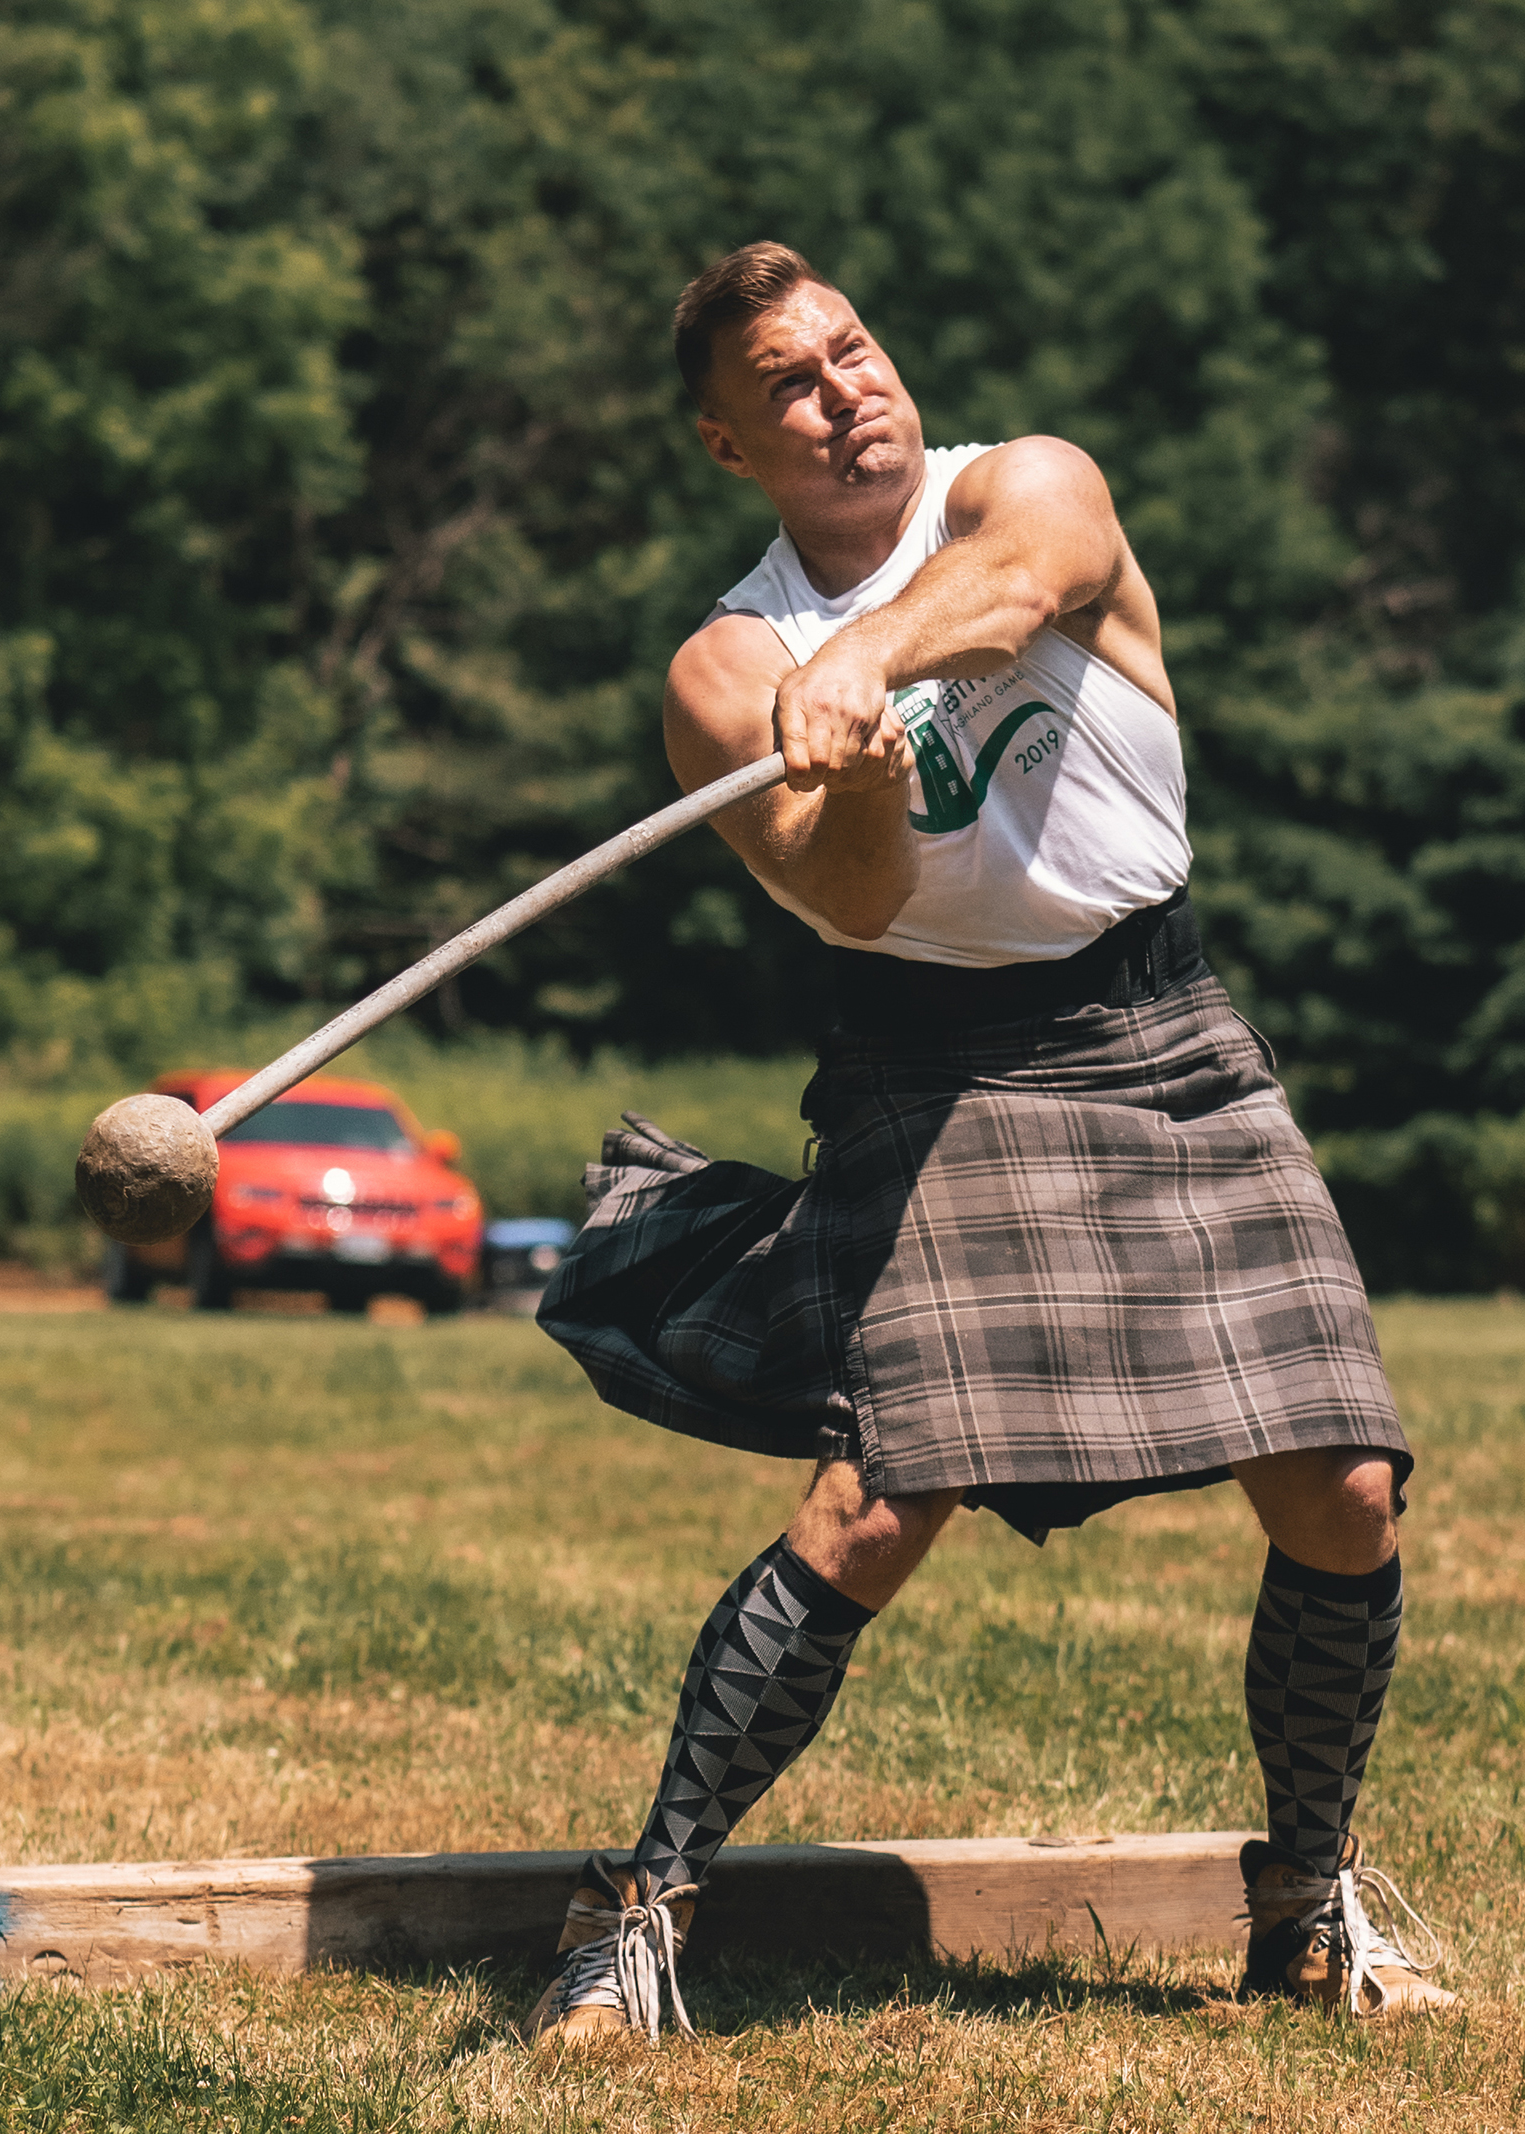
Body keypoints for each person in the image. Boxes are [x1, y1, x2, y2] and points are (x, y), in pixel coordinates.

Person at [530, 242, 1450, 2040]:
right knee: (879, 1501)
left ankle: (1305, 1897)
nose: (841, 389)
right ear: (732, 446)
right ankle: (639, 1909)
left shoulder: (1029, 482)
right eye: (787, 382)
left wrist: (871, 658)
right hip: (935, 1061)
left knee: (1343, 1480)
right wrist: (856, 764)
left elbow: (1025, 576)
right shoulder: (725, 672)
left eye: (851, 347)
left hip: (1167, 1023)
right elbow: (858, 903)